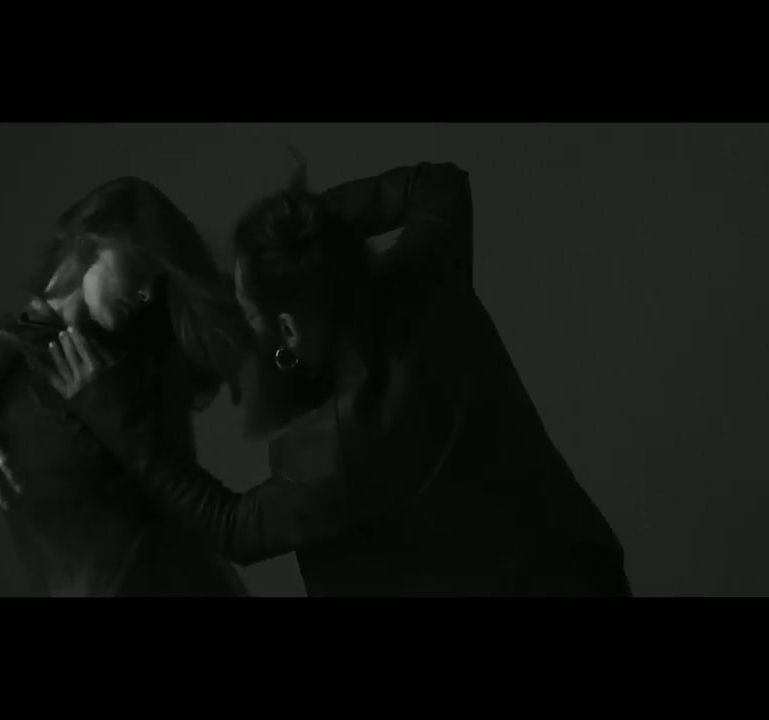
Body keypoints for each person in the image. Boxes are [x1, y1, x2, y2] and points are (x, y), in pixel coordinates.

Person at [51, 159, 633, 596]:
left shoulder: (341, 444)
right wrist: (308, 236)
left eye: (250, 313)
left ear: (287, 329)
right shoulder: (428, 277)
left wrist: (111, 414)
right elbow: (438, 184)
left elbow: (234, 529)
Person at [0, 176, 251, 597]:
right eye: (139, 267)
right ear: (92, 238)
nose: (145, 293)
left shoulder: (147, 353)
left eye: (156, 280)